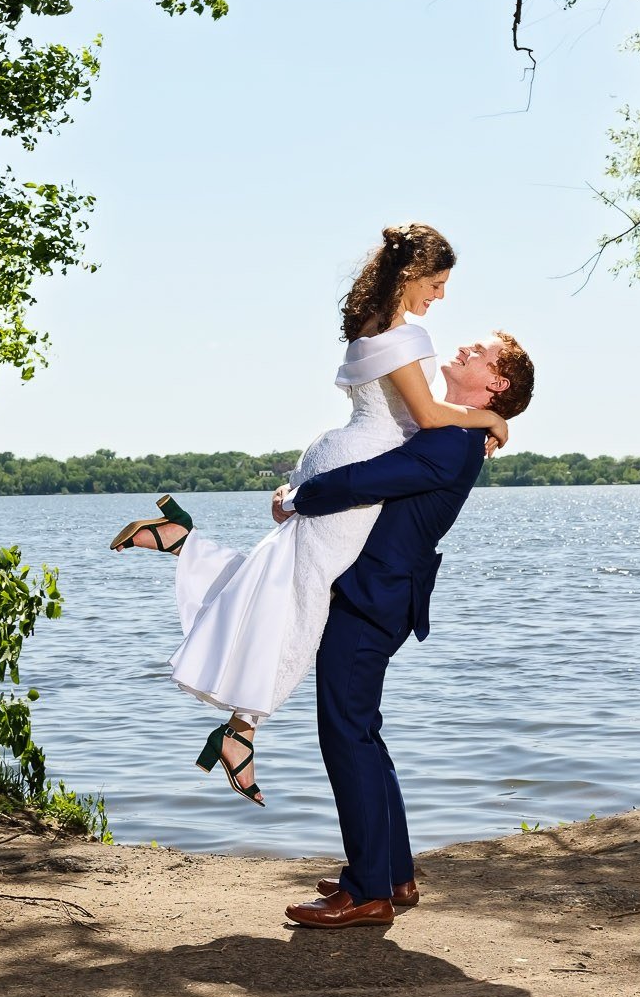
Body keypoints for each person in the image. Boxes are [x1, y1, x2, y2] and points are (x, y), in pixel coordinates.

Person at [109, 224, 508, 805]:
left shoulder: (369, 327)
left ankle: (182, 544)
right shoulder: (408, 337)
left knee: (276, 580)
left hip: (332, 452)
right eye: (436, 282)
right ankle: (241, 731)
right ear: (410, 276)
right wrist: (492, 421)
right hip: (358, 470)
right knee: (302, 606)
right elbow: (427, 416)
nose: (440, 296)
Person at [280, 331, 535, 928]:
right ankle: (393, 873)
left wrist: (297, 497)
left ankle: (368, 892)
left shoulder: (452, 440)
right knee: (363, 732)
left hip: (374, 599)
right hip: (383, 595)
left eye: (482, 353)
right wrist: (496, 418)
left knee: (346, 736)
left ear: (496, 383)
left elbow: (365, 479)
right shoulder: (458, 430)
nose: (467, 348)